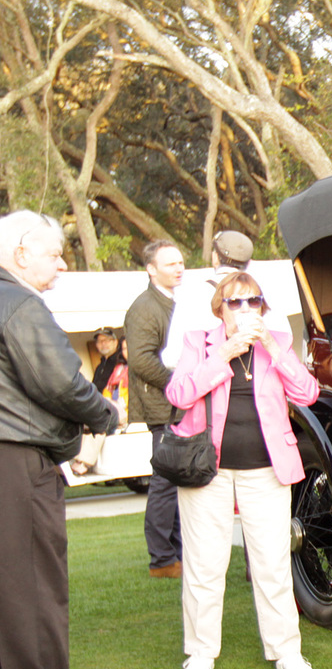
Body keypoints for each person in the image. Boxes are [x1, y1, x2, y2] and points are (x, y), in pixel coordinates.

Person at [0, 210, 125, 669]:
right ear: (21, 251)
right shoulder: (21, 304)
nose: (61, 263)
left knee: (9, 595)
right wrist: (104, 414)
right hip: (17, 464)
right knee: (33, 592)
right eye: (53, 252)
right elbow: (61, 382)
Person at [165, 271, 319, 669]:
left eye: (253, 301)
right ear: (220, 308)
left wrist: (270, 344)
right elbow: (178, 394)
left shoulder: (279, 343)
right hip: (207, 470)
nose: (246, 308)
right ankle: (200, 653)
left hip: (267, 469)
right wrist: (226, 354)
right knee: (204, 564)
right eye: (235, 302)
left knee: (272, 563)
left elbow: (308, 393)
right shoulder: (200, 343)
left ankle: (286, 649)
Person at [125, 239, 185, 578]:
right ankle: (162, 560)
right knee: (164, 482)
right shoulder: (145, 307)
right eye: (170, 264)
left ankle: (173, 554)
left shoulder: (174, 302)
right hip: (164, 407)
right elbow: (142, 361)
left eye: (180, 262)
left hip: (177, 405)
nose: (179, 268)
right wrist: (180, 385)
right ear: (151, 269)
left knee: (177, 480)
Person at [161, 229, 253, 367]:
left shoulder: (192, 294)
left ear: (215, 257)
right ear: (249, 262)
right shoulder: (265, 293)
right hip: (256, 383)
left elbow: (172, 358)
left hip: (208, 382)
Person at [89, 327, 126, 392]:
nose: (103, 344)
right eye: (99, 341)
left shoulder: (121, 362)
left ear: (116, 342)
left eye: (107, 340)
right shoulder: (100, 367)